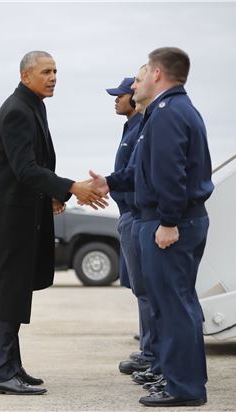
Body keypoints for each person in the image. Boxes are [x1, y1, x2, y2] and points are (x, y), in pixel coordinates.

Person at [0, 50, 107, 396]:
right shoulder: (16, 111)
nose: (53, 77)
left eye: (56, 71)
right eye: (46, 72)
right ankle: (0, 373)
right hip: (7, 220)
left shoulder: (32, 105)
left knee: (16, 291)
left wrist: (52, 195)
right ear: (26, 76)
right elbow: (24, 169)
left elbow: (28, 168)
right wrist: (71, 188)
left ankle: (11, 366)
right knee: (9, 292)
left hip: (21, 214)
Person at [92, 47, 213, 407]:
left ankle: (184, 388)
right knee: (175, 304)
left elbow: (171, 175)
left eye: (142, 74)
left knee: (173, 307)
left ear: (158, 74)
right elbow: (143, 172)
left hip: (169, 224)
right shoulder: (166, 113)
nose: (138, 80)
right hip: (170, 219)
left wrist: (169, 222)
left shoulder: (168, 114)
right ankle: (184, 380)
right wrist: (109, 183)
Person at [106, 76, 155, 375]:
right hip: (129, 214)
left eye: (120, 95)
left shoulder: (141, 127)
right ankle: (148, 349)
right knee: (141, 289)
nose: (116, 100)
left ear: (132, 98)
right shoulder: (131, 128)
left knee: (146, 289)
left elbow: (134, 174)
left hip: (136, 215)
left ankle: (150, 353)